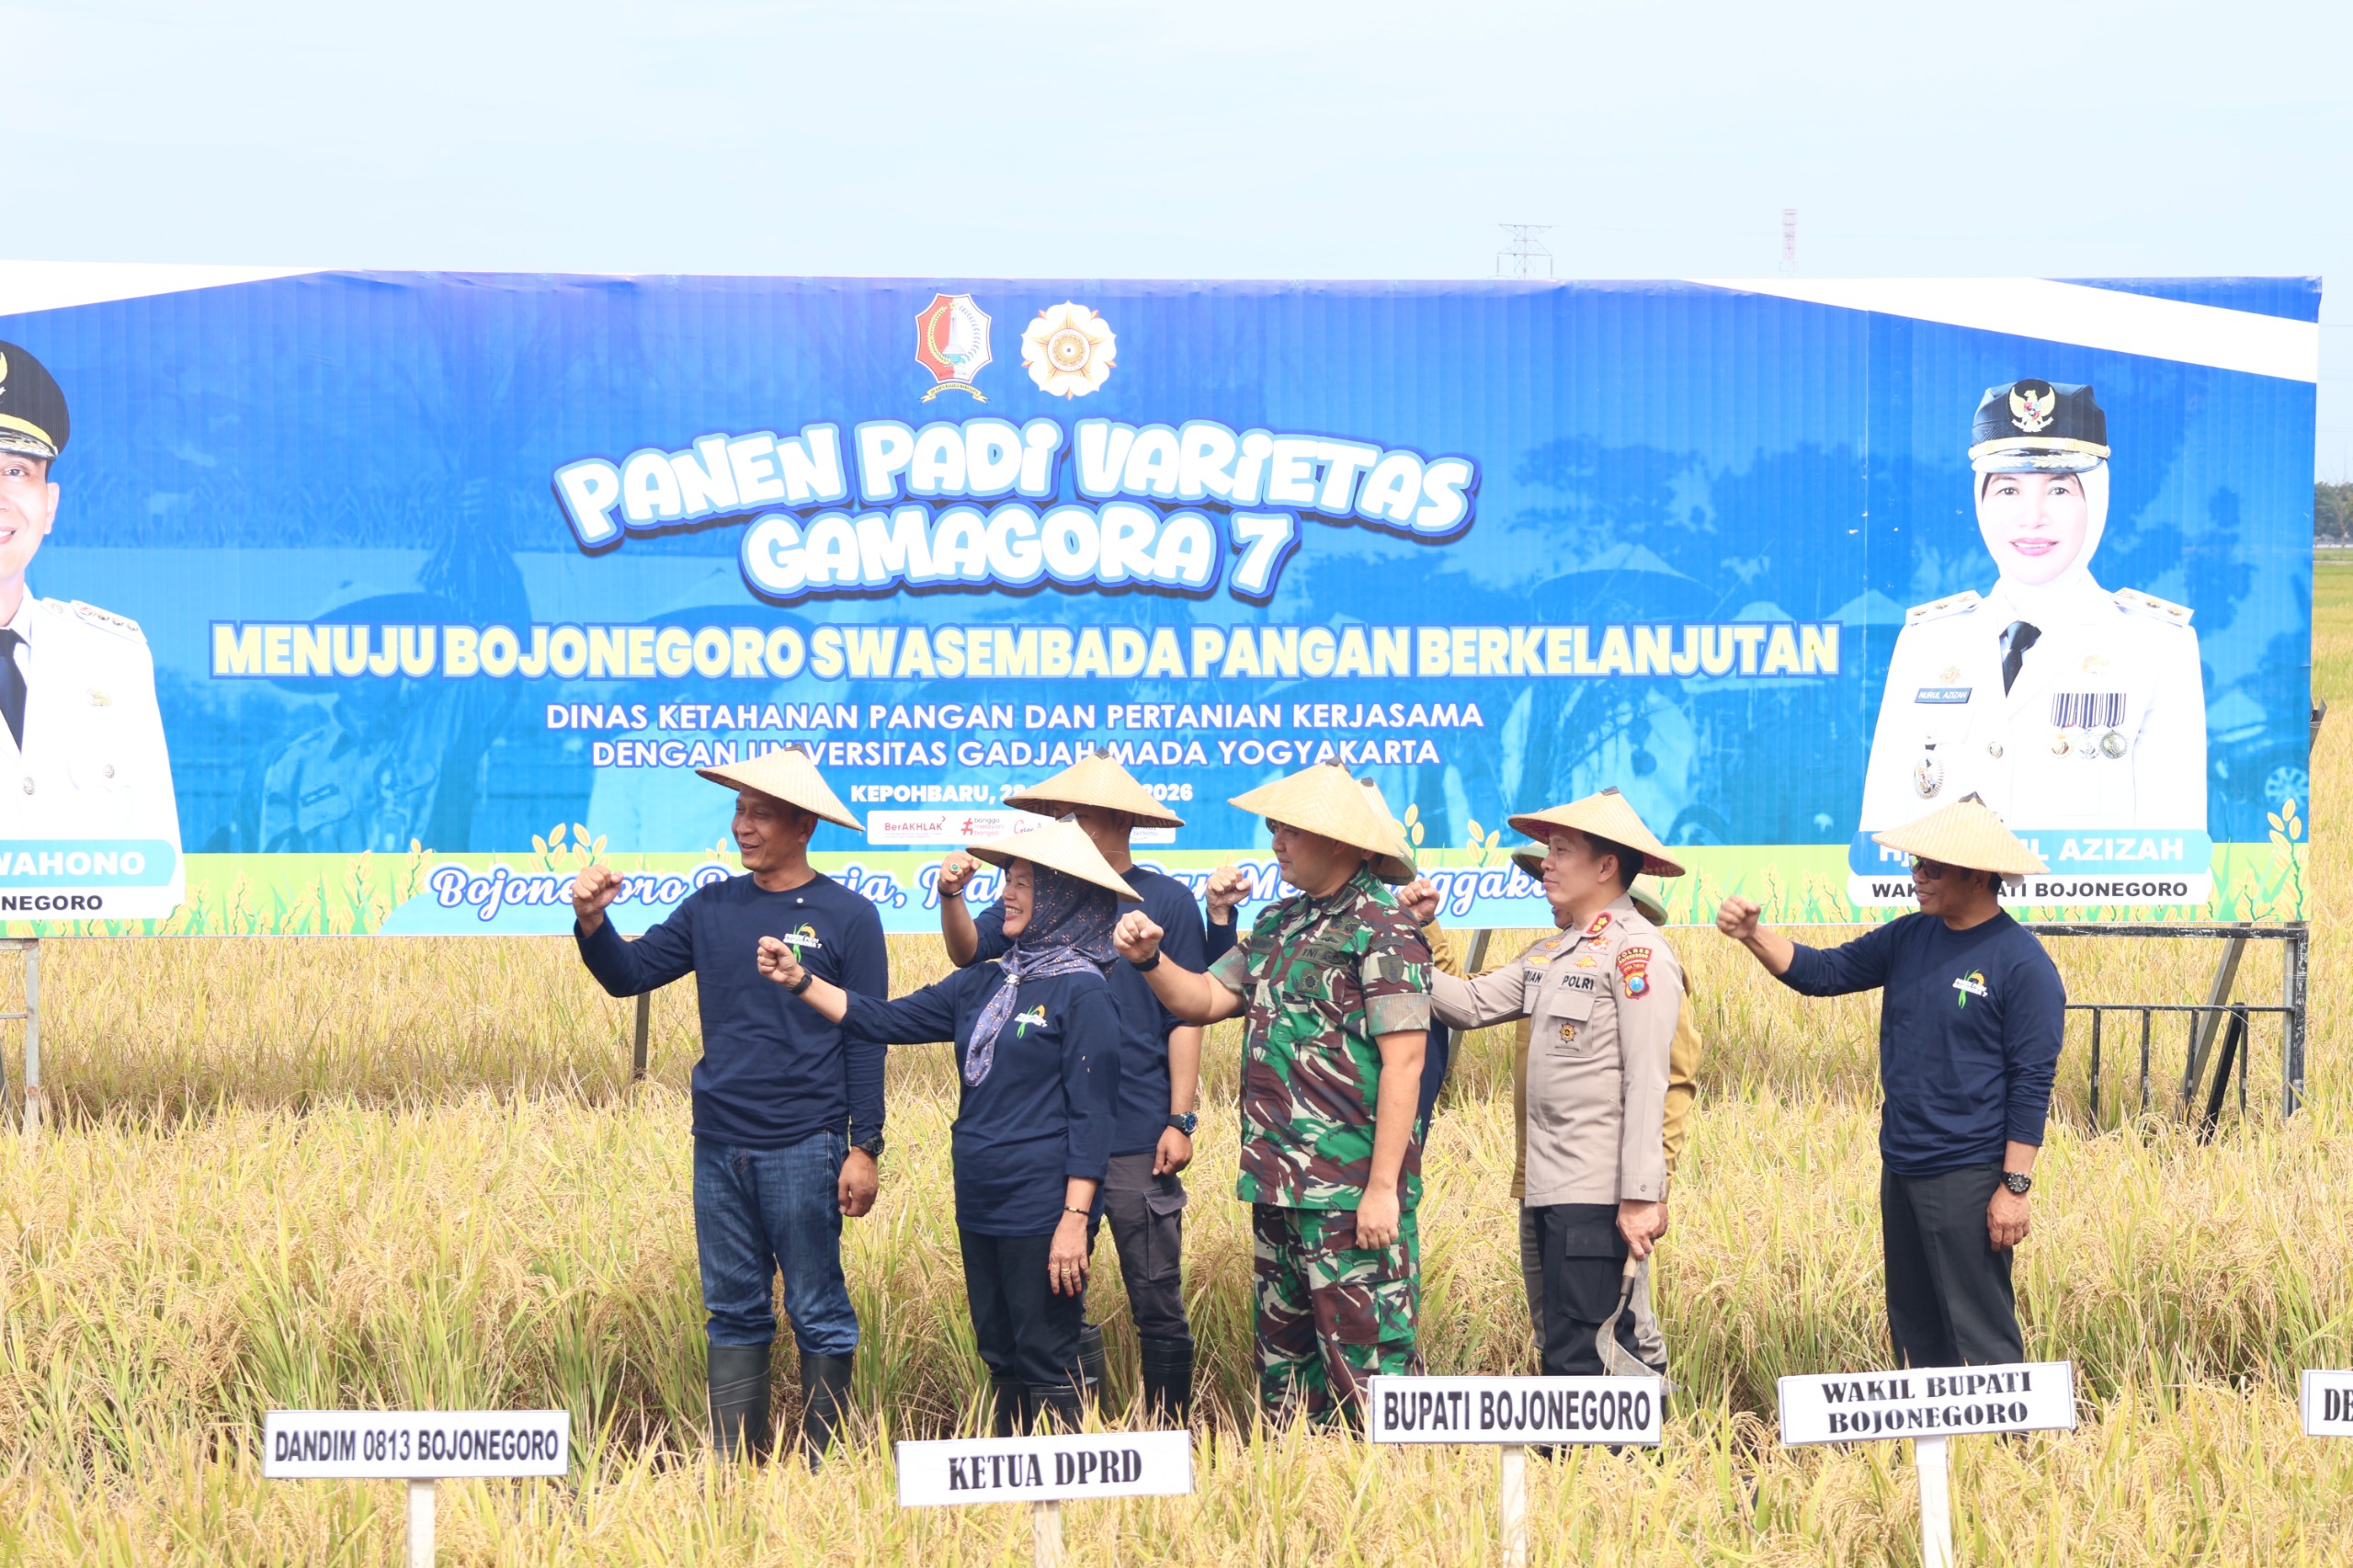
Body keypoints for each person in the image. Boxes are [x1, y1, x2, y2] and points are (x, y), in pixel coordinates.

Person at [758, 816, 1130, 1435]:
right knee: (1000, 1355)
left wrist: (1073, 1221)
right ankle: (1012, 1497)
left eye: (1024, 884)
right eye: (1007, 880)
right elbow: (880, 1019)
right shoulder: (985, 979)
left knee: (1045, 1355)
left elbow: (1094, 1116)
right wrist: (799, 980)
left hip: (1043, 1209)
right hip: (981, 1202)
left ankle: (1069, 1509)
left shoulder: (1082, 993)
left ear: (1066, 896)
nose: (1006, 895)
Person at [569, 744, 885, 1464]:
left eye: (760, 813)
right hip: (718, 1144)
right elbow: (632, 973)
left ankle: (826, 1472)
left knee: (818, 1312)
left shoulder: (849, 916)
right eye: (739, 810)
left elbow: (867, 1037)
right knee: (734, 1311)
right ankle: (735, 1473)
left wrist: (865, 1145)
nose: (743, 826)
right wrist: (592, 922)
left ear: (803, 825)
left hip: (807, 1144)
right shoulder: (712, 907)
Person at [1110, 759, 1432, 1427]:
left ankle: (1397, 1509)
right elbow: (1201, 999)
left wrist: (1381, 1190)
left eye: (1288, 830)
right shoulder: (1279, 924)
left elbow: (1405, 1064)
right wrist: (1148, 959)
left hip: (1348, 1196)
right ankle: (1302, 1506)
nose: (1275, 842)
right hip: (1277, 1190)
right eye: (1273, 828)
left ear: (1339, 840)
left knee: (1371, 1373)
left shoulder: (1384, 927)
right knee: (1286, 1374)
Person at [1717, 793, 2063, 1369]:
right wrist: (1754, 935)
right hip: (1902, 1165)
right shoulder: (1908, 938)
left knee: (1977, 1330)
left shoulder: (2022, 965)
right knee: (1914, 1325)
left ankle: (2009, 1454)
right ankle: (1937, 1456)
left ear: (1978, 875)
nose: (1916, 876)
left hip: (1969, 1175)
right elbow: (1821, 973)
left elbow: (2032, 1084)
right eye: (1915, 863)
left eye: (1930, 867)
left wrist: (2014, 1189)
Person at [935, 748, 1207, 1422]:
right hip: (1054, 1145)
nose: (1062, 823)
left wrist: (1181, 1117)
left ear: (1115, 820)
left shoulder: (1164, 899)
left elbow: (1188, 1013)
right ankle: (1076, 1434)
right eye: (1056, 814)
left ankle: (1167, 1434)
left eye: (1073, 814)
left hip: (1139, 1125)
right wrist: (951, 898)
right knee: (1056, 1294)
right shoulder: (1040, 889)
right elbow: (973, 952)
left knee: (1154, 1293)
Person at [1402, 789, 1682, 1377]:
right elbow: (1468, 1004)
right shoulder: (1551, 953)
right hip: (1546, 1192)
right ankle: (1567, 1469)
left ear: (1607, 867)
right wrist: (1402, 940)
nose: (1545, 864)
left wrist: (1639, 1195)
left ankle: (1617, 1467)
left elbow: (1651, 1080)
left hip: (1599, 1195)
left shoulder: (1637, 953)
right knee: (1558, 1347)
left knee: (1598, 1351)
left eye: (1560, 851)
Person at [1858, 380, 2205, 846]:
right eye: (2007, 491)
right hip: (1952, 917)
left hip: (2089, 914)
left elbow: (2174, 846)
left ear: (2095, 503)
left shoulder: (2156, 644)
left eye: (2059, 490)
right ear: (1980, 502)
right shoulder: (1927, 641)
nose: (2032, 516)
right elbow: (1883, 827)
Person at [0, 339, 184, 918]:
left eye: (16, 470)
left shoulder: (114, 658)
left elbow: (156, 881)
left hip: (77, 1000)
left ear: (48, 505)